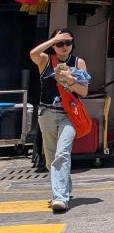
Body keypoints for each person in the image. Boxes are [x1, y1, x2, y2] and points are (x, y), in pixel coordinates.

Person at [29, 28, 91, 213]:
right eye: (60, 43)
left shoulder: (78, 63)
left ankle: (60, 198)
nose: (64, 47)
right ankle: (65, 187)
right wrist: (52, 40)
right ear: (54, 45)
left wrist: (70, 80)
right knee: (50, 159)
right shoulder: (46, 60)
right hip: (46, 113)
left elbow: (84, 92)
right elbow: (33, 54)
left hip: (69, 114)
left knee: (62, 153)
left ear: (73, 44)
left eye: (68, 43)